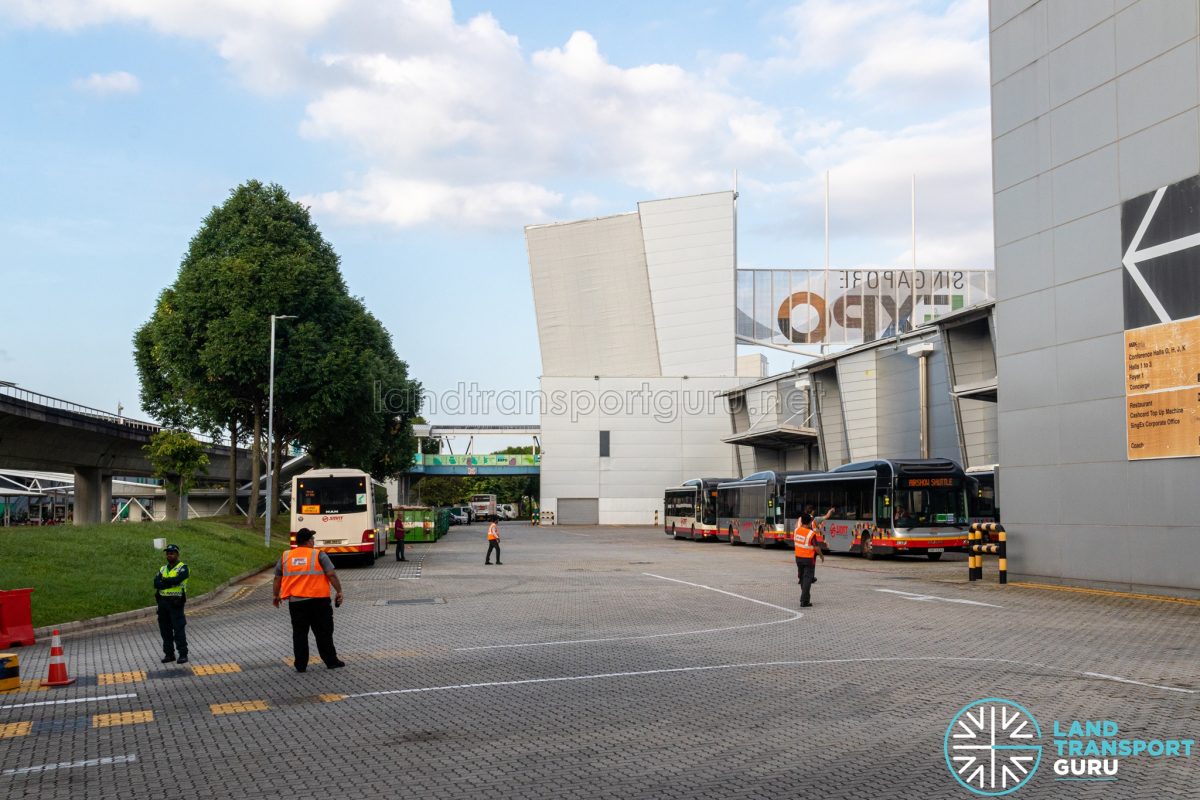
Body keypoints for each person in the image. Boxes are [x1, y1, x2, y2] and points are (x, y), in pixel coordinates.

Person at [273, 528, 345, 672]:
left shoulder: (286, 556)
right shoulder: (319, 555)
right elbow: (331, 574)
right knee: (323, 632)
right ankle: (331, 661)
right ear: (308, 541)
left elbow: (277, 577)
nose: (314, 541)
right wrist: (339, 591)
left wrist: (276, 595)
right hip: (319, 602)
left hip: (296, 603)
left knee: (299, 634)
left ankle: (300, 665)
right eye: (312, 539)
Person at [154, 544, 189, 664]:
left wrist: (164, 581)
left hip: (176, 602)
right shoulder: (162, 568)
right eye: (168, 553)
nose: (169, 555)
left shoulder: (183, 568)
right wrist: (168, 582)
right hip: (163, 603)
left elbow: (177, 580)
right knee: (165, 630)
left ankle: (183, 654)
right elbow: (156, 584)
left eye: (172, 553)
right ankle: (169, 654)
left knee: (178, 629)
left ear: (177, 554)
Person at [794, 513, 824, 608]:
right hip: (808, 559)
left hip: (798, 558)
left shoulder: (796, 531)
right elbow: (816, 547)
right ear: (810, 522)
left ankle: (805, 597)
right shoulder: (811, 534)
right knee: (807, 579)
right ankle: (804, 600)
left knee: (802, 578)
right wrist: (821, 555)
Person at [804, 504, 836, 582]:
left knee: (804, 562)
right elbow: (826, 516)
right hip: (812, 543)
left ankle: (802, 577)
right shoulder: (815, 520)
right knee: (812, 562)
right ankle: (811, 577)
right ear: (813, 511)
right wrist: (831, 510)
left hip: (804, 543)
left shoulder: (802, 519)